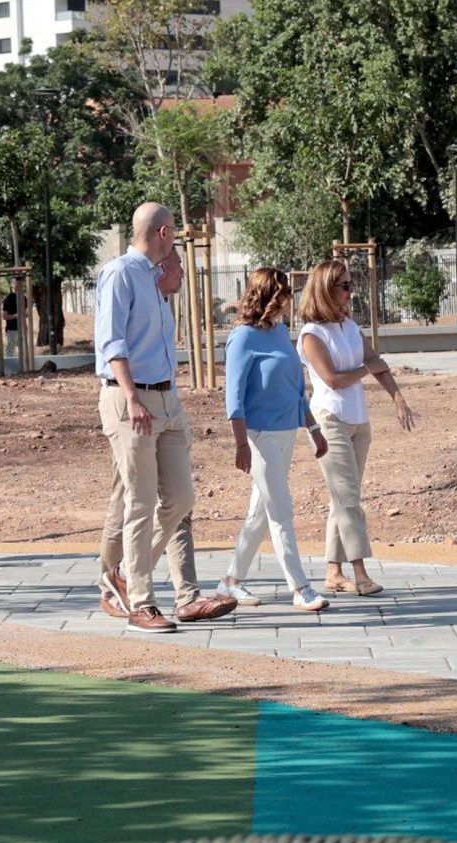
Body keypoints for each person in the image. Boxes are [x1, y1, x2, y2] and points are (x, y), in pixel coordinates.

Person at [94, 201, 233, 633]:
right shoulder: (120, 273)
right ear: (164, 233)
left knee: (181, 499)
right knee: (139, 501)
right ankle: (141, 601)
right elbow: (111, 342)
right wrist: (133, 397)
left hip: (168, 399)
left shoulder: (154, 280)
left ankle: (122, 576)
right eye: (174, 232)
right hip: (131, 400)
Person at [297, 258, 416, 596]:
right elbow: (333, 379)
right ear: (325, 290)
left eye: (352, 284)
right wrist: (367, 367)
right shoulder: (311, 334)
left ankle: (333, 573)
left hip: (358, 422)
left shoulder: (349, 327)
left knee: (343, 499)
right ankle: (360, 573)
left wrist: (397, 398)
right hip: (328, 421)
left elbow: (378, 365)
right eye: (345, 286)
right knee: (348, 499)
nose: (352, 292)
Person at [217, 266, 330, 613]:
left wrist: (313, 428)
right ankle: (301, 587)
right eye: (282, 293)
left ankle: (230, 582)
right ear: (267, 295)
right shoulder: (242, 337)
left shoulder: (280, 332)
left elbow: (296, 389)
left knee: (260, 513)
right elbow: (233, 398)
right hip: (259, 435)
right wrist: (240, 445)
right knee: (281, 509)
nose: (289, 299)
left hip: (286, 432)